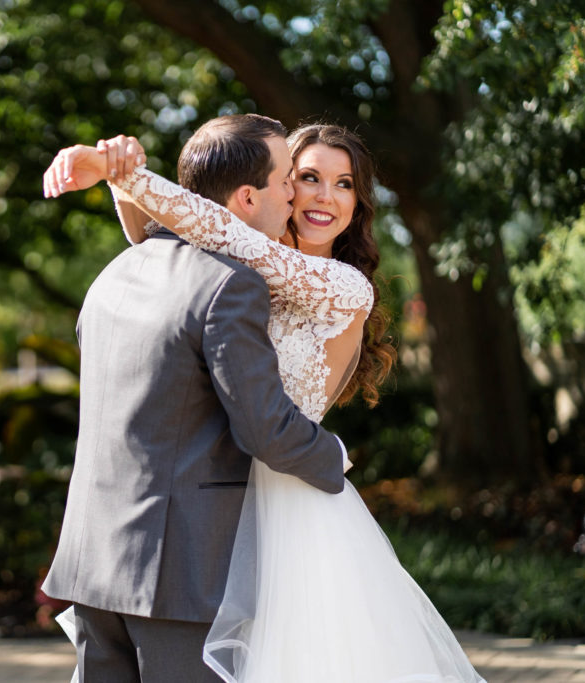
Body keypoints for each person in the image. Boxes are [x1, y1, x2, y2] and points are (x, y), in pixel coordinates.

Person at [47, 119, 486, 681]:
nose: (326, 195)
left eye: (345, 183)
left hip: (289, 497)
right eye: (306, 177)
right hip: (215, 505)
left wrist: (126, 174)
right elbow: (161, 241)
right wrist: (121, 179)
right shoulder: (227, 268)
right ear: (278, 188)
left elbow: (223, 229)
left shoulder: (342, 285)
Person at [40, 114, 350, 683]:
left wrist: (124, 177)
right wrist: (336, 459)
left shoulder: (113, 273)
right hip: (178, 572)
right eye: (289, 179)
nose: (295, 195)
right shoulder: (230, 284)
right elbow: (264, 430)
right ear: (248, 195)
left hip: (93, 564)